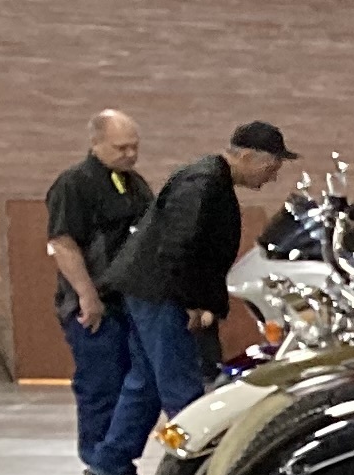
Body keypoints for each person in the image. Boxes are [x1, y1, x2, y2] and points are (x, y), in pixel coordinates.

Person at [101, 121, 293, 428]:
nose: (272, 177)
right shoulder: (202, 182)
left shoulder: (212, 180)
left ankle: (112, 459)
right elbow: (177, 245)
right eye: (271, 168)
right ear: (246, 157)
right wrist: (191, 302)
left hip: (151, 291)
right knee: (182, 389)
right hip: (161, 293)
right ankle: (194, 455)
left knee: (145, 385)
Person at [44, 108, 151, 475]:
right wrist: (87, 296)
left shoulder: (135, 184)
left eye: (134, 147)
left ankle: (116, 461)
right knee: (101, 384)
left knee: (135, 384)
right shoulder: (74, 184)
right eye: (120, 147)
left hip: (130, 303)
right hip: (94, 305)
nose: (129, 154)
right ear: (96, 143)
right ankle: (101, 466)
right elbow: (64, 244)